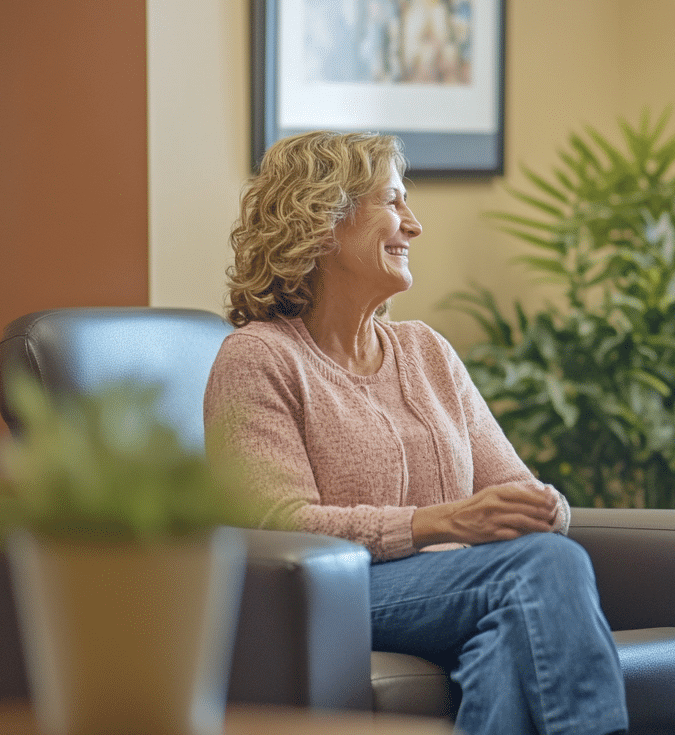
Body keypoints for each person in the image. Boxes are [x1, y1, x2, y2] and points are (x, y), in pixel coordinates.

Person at [203, 130, 629, 735]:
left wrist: (541, 508)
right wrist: (441, 523)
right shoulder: (258, 358)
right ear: (324, 222)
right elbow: (275, 525)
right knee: (542, 569)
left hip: (465, 588)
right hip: (337, 594)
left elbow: (515, 489)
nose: (414, 224)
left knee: (515, 631)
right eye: (393, 202)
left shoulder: (426, 350)